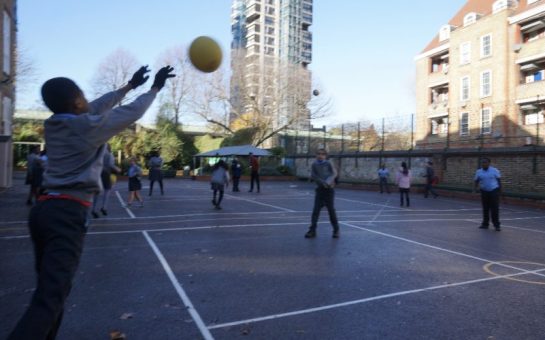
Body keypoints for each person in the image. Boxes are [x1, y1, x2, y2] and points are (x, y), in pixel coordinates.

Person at [8, 65, 175, 340]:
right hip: (66, 213)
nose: (88, 101)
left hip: (44, 211)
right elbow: (131, 113)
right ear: (76, 102)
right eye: (83, 97)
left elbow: (97, 106)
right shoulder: (86, 127)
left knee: (52, 294)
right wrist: (154, 88)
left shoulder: (57, 124)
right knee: (49, 301)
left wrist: (128, 86)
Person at [305, 149, 340, 239]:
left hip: (329, 190)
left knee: (331, 210)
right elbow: (314, 175)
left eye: (323, 154)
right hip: (320, 189)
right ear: (316, 155)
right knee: (315, 211)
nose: (320, 156)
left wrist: (328, 182)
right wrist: (322, 182)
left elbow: (334, 173)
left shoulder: (328, 163)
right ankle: (312, 230)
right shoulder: (314, 164)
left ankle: (336, 230)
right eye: (318, 154)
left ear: (325, 156)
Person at [91, 144, 120, 218]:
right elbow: (110, 165)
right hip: (106, 173)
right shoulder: (109, 155)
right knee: (107, 190)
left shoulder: (97, 154)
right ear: (109, 148)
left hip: (98, 173)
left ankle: (93, 209)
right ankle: (104, 207)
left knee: (97, 192)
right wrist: (117, 169)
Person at [474, 157, 502, 231]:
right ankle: (485, 224)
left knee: (494, 209)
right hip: (484, 191)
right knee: (485, 208)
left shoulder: (494, 170)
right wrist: (475, 189)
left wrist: (500, 191)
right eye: (482, 162)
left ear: (489, 163)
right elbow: (476, 180)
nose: (483, 164)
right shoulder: (478, 172)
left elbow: (499, 180)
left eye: (485, 162)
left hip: (494, 191)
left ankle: (497, 225)